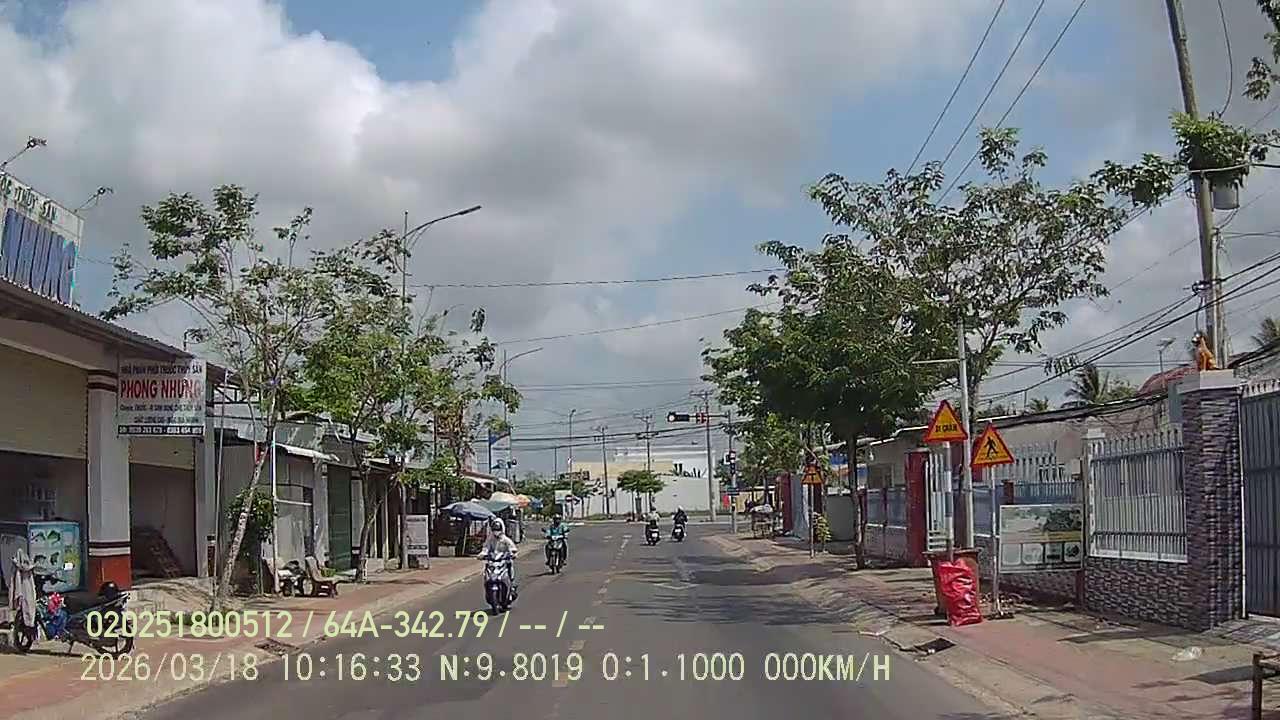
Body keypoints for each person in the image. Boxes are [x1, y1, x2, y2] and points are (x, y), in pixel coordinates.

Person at [480, 518, 519, 588]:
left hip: (503, 559)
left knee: (510, 564)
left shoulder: (505, 539)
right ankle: (487, 584)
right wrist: (482, 554)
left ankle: (512, 583)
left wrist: (513, 553)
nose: (496, 531)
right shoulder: (490, 539)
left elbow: (512, 548)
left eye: (498, 529)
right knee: (487, 568)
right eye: (494, 529)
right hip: (493, 560)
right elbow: (486, 548)